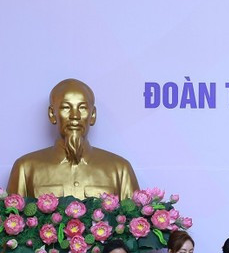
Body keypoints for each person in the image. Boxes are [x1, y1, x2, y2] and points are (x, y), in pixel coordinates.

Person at [7, 78, 139, 199]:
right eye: (65, 107)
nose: (74, 116)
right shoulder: (25, 168)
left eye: (82, 108)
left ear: (92, 115)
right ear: (52, 114)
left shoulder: (120, 170)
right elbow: (10, 221)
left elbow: (133, 221)